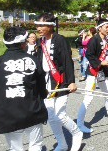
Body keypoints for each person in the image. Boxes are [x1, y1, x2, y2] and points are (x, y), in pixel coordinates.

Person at [0, 27, 48, 151]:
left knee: (15, 148)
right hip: (32, 111)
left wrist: (0, 101)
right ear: (23, 44)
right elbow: (42, 89)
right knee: (36, 146)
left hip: (7, 114)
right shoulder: (32, 61)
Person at [35, 13, 83, 151]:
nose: (39, 28)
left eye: (42, 25)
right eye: (38, 25)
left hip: (60, 81)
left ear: (51, 26)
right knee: (50, 116)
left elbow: (67, 61)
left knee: (60, 114)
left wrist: (71, 82)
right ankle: (62, 144)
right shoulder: (40, 42)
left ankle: (76, 132)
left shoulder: (60, 40)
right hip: (46, 82)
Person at [77, 19, 108, 134]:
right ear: (100, 28)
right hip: (93, 71)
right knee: (88, 97)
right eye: (106, 27)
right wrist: (100, 63)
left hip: (102, 72)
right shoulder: (94, 40)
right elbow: (89, 55)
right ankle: (79, 123)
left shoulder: (106, 40)